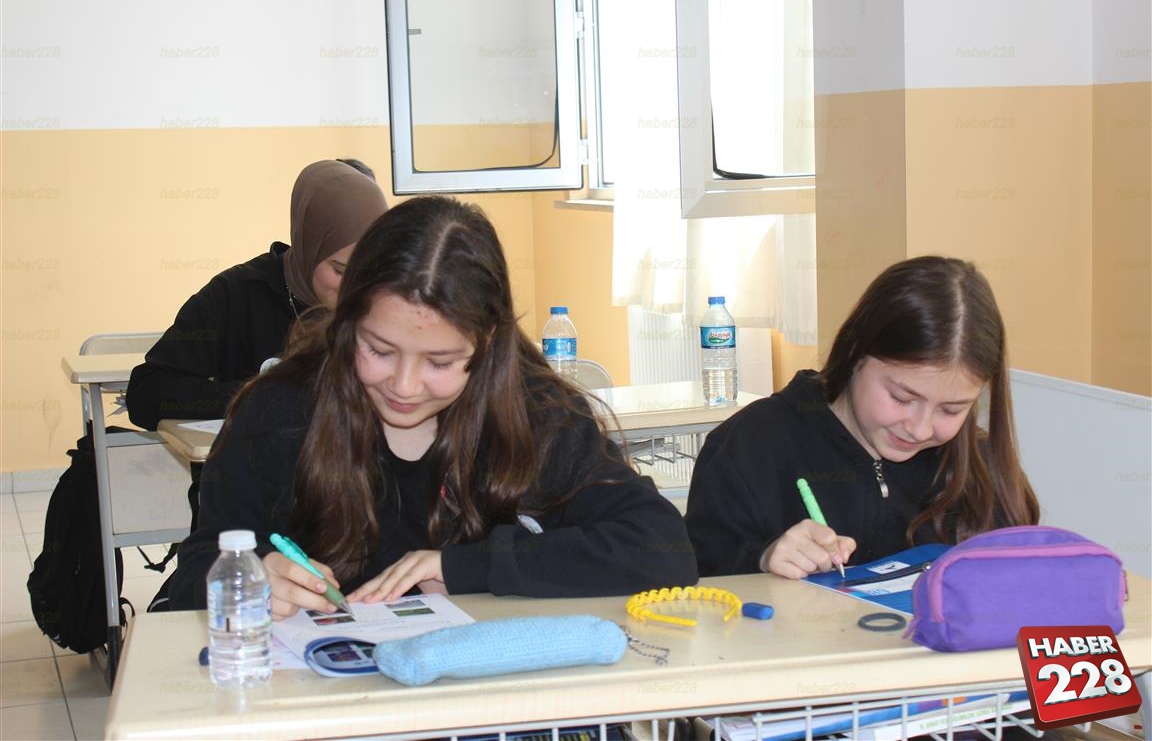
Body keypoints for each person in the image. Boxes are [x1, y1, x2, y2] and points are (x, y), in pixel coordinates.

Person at [166, 195, 698, 615]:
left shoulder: (536, 413)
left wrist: (469, 567)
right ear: (347, 322)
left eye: (440, 362)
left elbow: (661, 548)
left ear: (487, 345)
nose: (404, 385)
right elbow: (193, 575)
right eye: (378, 350)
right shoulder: (280, 411)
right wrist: (253, 580)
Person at [685, 256, 1039, 579]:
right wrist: (762, 560)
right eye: (902, 398)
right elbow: (696, 581)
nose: (919, 430)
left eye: (952, 409)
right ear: (856, 352)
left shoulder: (981, 466)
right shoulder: (751, 447)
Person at [126, 159, 387, 431]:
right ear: (308, 244)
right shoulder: (235, 295)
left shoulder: (386, 299)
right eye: (340, 270)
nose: (355, 286)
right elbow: (146, 393)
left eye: (369, 269)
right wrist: (261, 394)